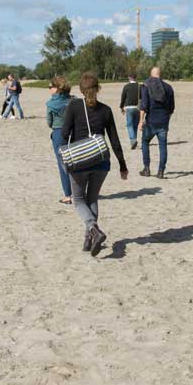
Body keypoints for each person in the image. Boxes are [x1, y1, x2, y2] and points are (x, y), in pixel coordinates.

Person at [60, 72, 129, 256]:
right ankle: (89, 239)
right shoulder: (106, 110)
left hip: (80, 161)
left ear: (81, 90)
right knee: (92, 199)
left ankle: (93, 229)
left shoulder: (74, 106)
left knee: (79, 200)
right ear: (98, 88)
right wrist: (123, 165)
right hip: (101, 161)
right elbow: (114, 140)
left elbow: (65, 133)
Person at [138, 66, 175, 179]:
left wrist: (140, 121)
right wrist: (166, 118)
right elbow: (171, 108)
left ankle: (147, 168)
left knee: (145, 141)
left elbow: (143, 106)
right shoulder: (168, 88)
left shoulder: (146, 86)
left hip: (151, 121)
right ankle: (161, 171)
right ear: (160, 74)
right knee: (163, 146)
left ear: (151, 74)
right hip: (163, 121)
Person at [45, 76, 73, 205]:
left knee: (63, 164)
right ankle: (80, 192)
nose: (49, 89)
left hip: (59, 133)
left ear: (57, 89)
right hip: (75, 132)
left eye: (50, 87)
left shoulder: (51, 104)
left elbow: (49, 122)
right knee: (77, 161)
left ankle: (68, 195)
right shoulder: (73, 100)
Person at [119, 74, 142, 150]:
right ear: (136, 77)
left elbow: (123, 97)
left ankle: (133, 140)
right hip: (138, 108)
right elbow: (142, 98)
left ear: (129, 77)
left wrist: (121, 107)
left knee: (129, 125)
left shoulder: (126, 86)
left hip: (129, 108)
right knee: (135, 125)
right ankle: (134, 140)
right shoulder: (140, 86)